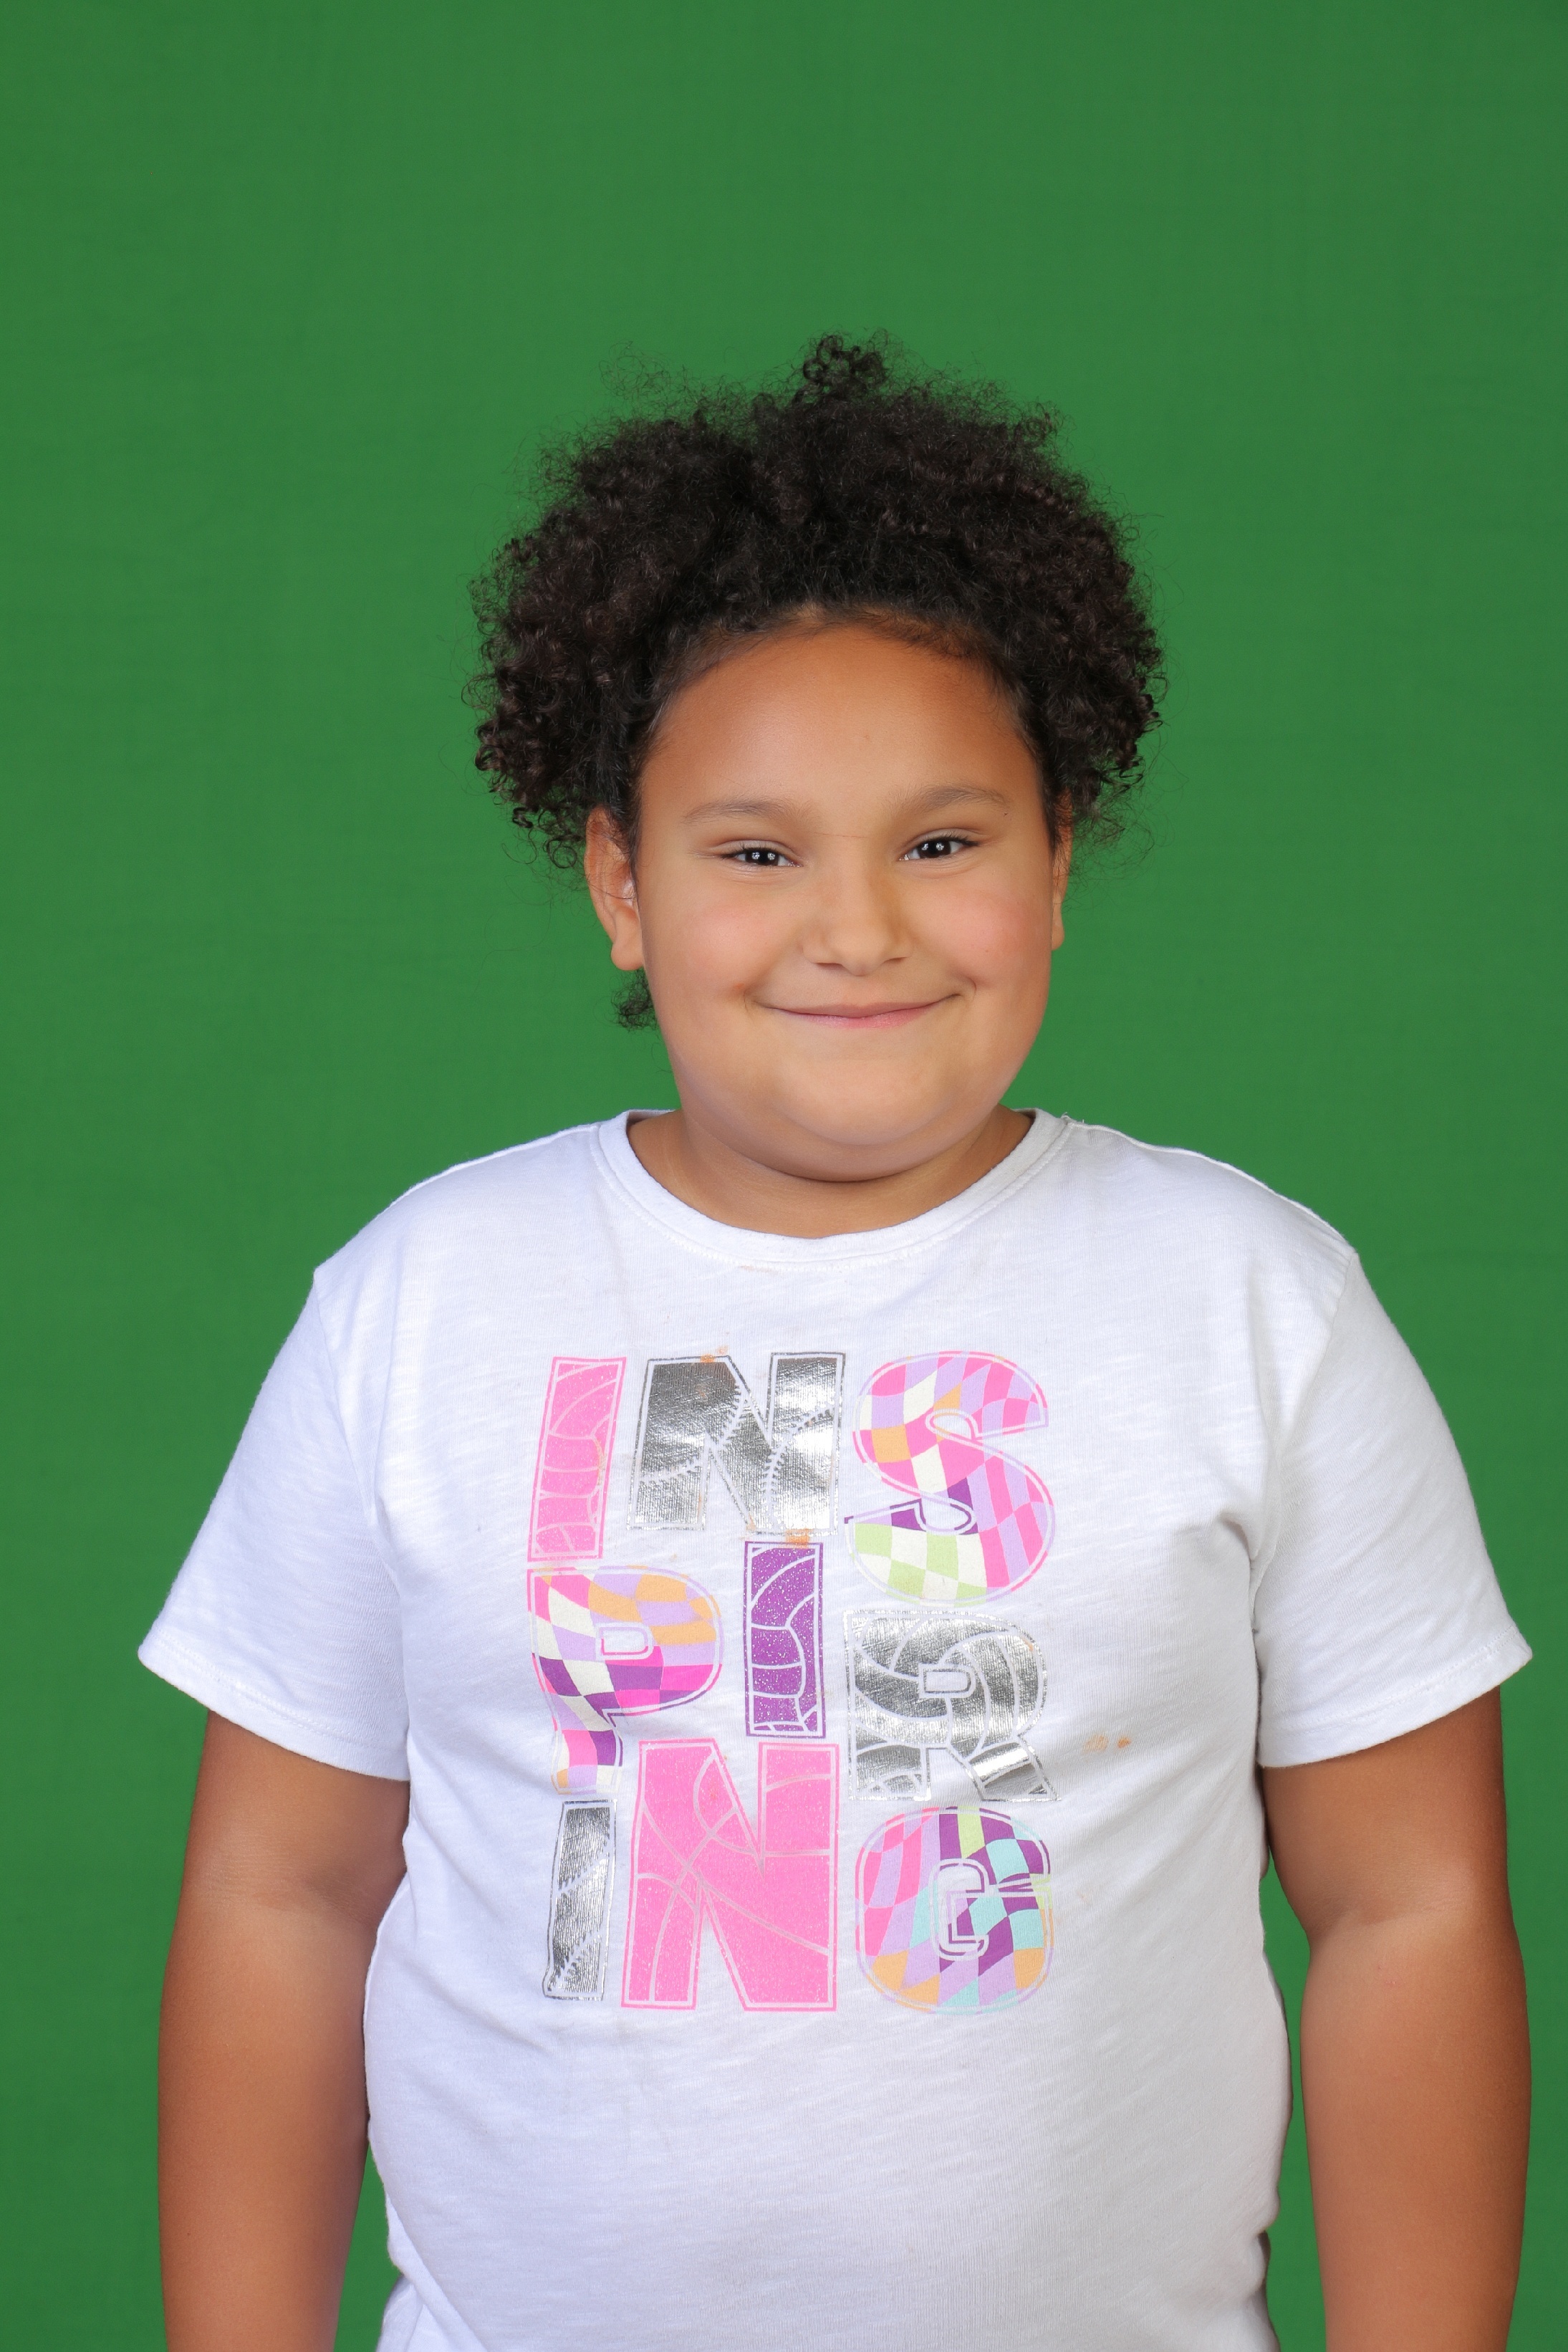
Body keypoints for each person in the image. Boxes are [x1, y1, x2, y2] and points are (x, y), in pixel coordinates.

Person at [144, 337, 1530, 2352]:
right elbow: (280, 1898)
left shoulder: (1250, 1302)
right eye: (756, 850)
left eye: (944, 842)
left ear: (1061, 860)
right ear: (621, 881)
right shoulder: (423, 1302)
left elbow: (1411, 1906)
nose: (858, 927)